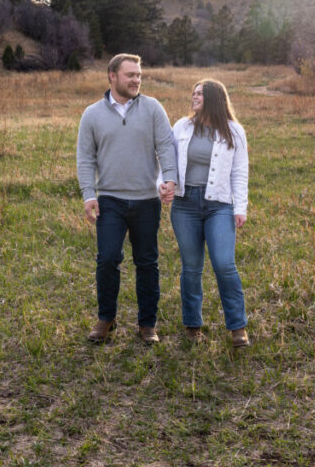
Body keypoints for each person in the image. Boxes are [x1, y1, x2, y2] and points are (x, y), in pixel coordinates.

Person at [77, 54, 177, 344]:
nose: (136, 80)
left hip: (147, 200)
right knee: (107, 258)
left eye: (138, 75)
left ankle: (147, 324)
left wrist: (169, 179)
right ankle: (106, 319)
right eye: (130, 74)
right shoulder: (92, 114)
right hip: (110, 200)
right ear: (112, 76)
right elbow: (85, 159)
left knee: (147, 263)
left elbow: (166, 147)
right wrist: (88, 195)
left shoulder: (153, 108)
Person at [160, 79, 250, 347]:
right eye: (193, 93)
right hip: (185, 204)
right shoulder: (182, 126)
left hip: (220, 205)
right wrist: (162, 184)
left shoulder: (234, 131)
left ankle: (237, 327)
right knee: (191, 267)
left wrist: (240, 207)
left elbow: (240, 171)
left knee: (224, 264)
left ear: (213, 98)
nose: (194, 97)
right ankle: (192, 325)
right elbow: (165, 160)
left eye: (200, 93)